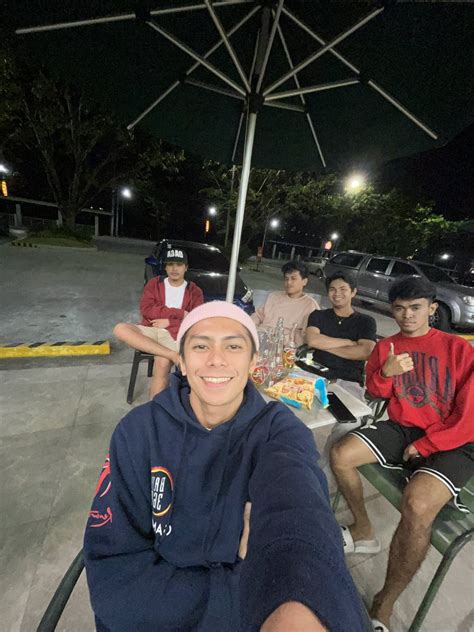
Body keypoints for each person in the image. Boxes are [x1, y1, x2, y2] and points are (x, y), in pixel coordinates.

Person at [84, 301, 368, 632]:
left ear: (253, 362)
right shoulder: (139, 431)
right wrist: (240, 587)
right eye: (200, 346)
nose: (216, 359)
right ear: (182, 362)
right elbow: (115, 575)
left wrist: (300, 606)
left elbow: (300, 510)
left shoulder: (279, 431)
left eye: (233, 346)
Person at [330, 277, 474, 632]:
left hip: (455, 439)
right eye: (399, 308)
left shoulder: (460, 350)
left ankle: (385, 602)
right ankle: (364, 529)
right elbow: (375, 391)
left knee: (418, 505)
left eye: (415, 307)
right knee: (341, 453)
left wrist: (428, 445)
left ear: (432, 308)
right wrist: (386, 372)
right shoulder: (387, 346)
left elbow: (469, 417)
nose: (407, 315)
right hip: (404, 427)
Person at [113, 248, 204, 398]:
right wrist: (179, 313)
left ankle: (154, 407)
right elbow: (147, 310)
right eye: (170, 264)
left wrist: (169, 322)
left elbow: (195, 319)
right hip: (151, 328)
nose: (174, 268)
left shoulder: (194, 291)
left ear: (186, 267)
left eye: (179, 264)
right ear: (165, 267)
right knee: (120, 328)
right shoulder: (154, 284)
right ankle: (172, 355)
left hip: (174, 333)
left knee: (162, 363)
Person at [306, 272, 377, 399]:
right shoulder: (318, 315)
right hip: (315, 373)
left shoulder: (365, 321)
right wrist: (349, 342)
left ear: (353, 292)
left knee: (346, 411)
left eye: (343, 289)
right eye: (332, 289)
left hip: (347, 380)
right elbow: (312, 341)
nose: (337, 293)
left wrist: (324, 345)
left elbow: (365, 352)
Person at [251, 260, 319, 346]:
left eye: (293, 278)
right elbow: (257, 316)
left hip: (284, 346)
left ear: (304, 281)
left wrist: (283, 340)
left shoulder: (310, 305)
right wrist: (251, 329)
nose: (289, 282)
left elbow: (306, 336)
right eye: (286, 279)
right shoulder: (274, 296)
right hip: (259, 338)